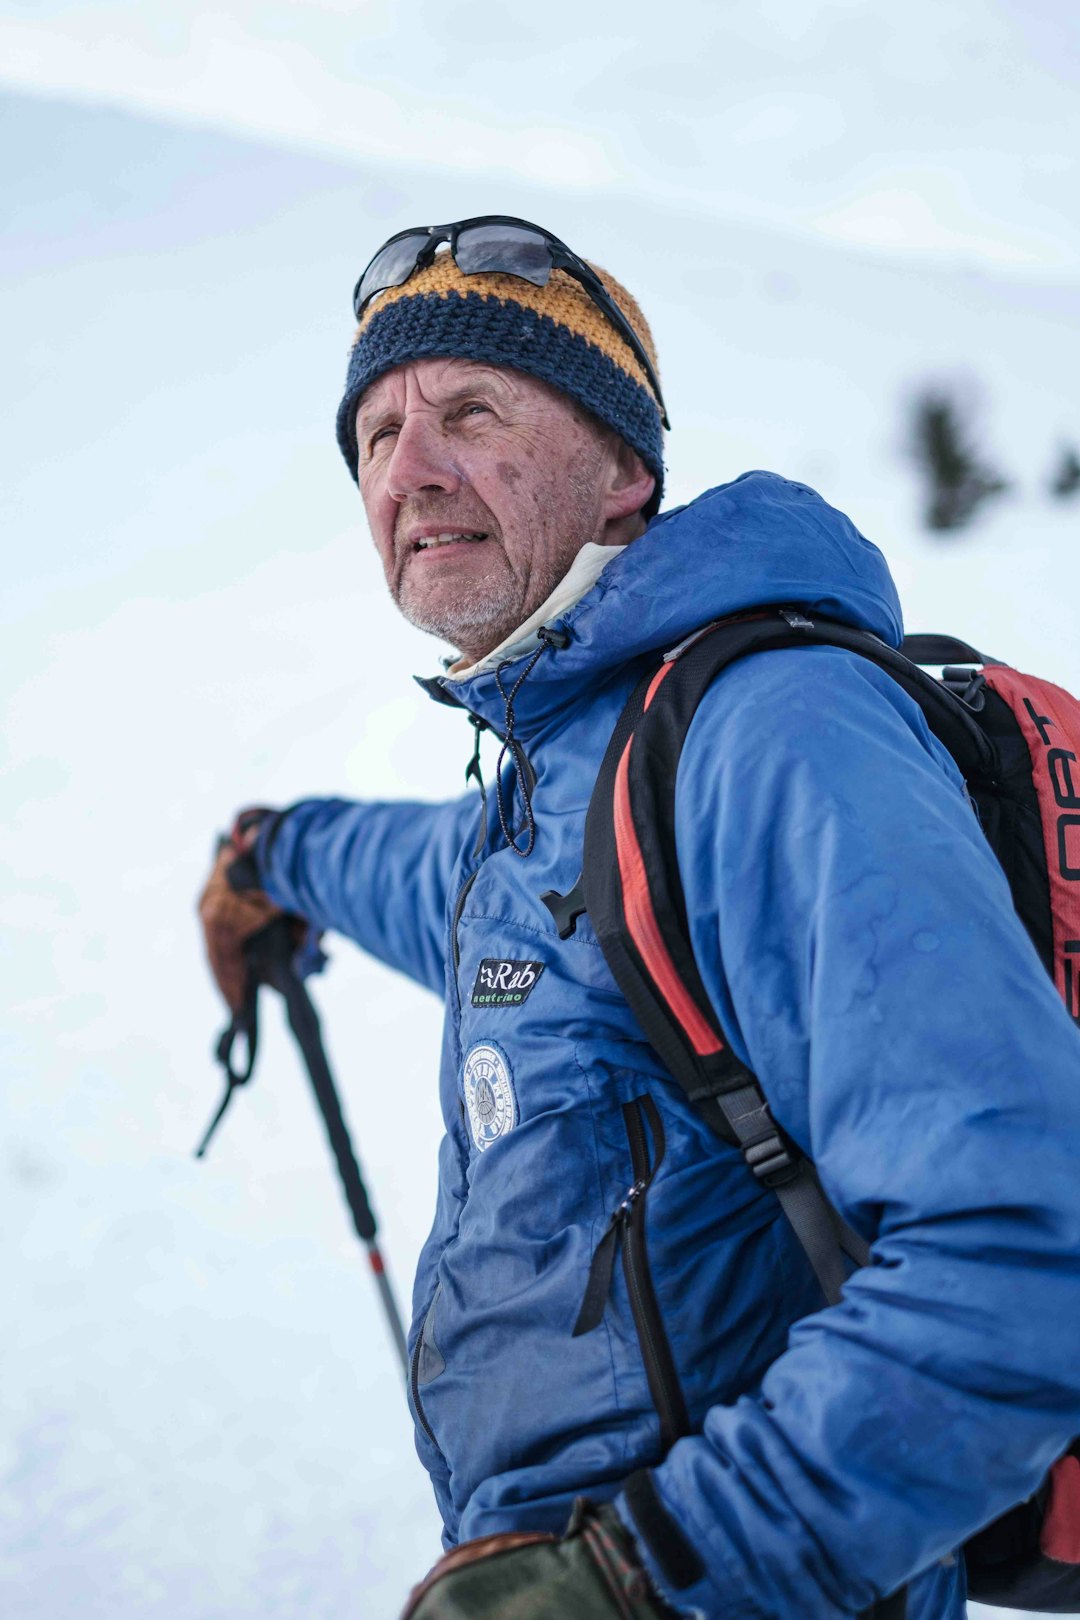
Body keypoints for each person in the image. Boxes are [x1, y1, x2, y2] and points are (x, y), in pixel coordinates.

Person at [198, 217, 1080, 1619]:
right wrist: (277, 858)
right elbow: (451, 891)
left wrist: (637, 1577)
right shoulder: (563, 777)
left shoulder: (768, 735)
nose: (409, 471)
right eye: (375, 435)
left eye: (470, 411)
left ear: (623, 472)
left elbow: (1026, 1254)